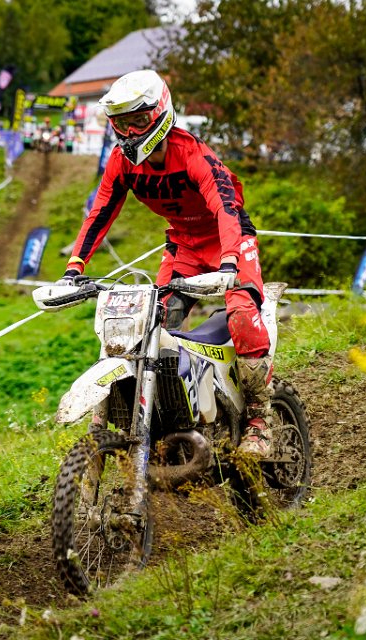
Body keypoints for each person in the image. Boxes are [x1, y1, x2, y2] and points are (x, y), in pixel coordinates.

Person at [56, 69, 274, 457]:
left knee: (242, 313)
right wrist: (74, 268)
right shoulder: (121, 162)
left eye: (138, 121)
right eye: (121, 123)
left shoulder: (192, 154)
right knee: (148, 326)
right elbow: (100, 212)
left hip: (229, 240)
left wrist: (228, 262)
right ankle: (165, 419)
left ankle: (260, 420)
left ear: (160, 114)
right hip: (183, 246)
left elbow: (226, 208)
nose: (130, 132)